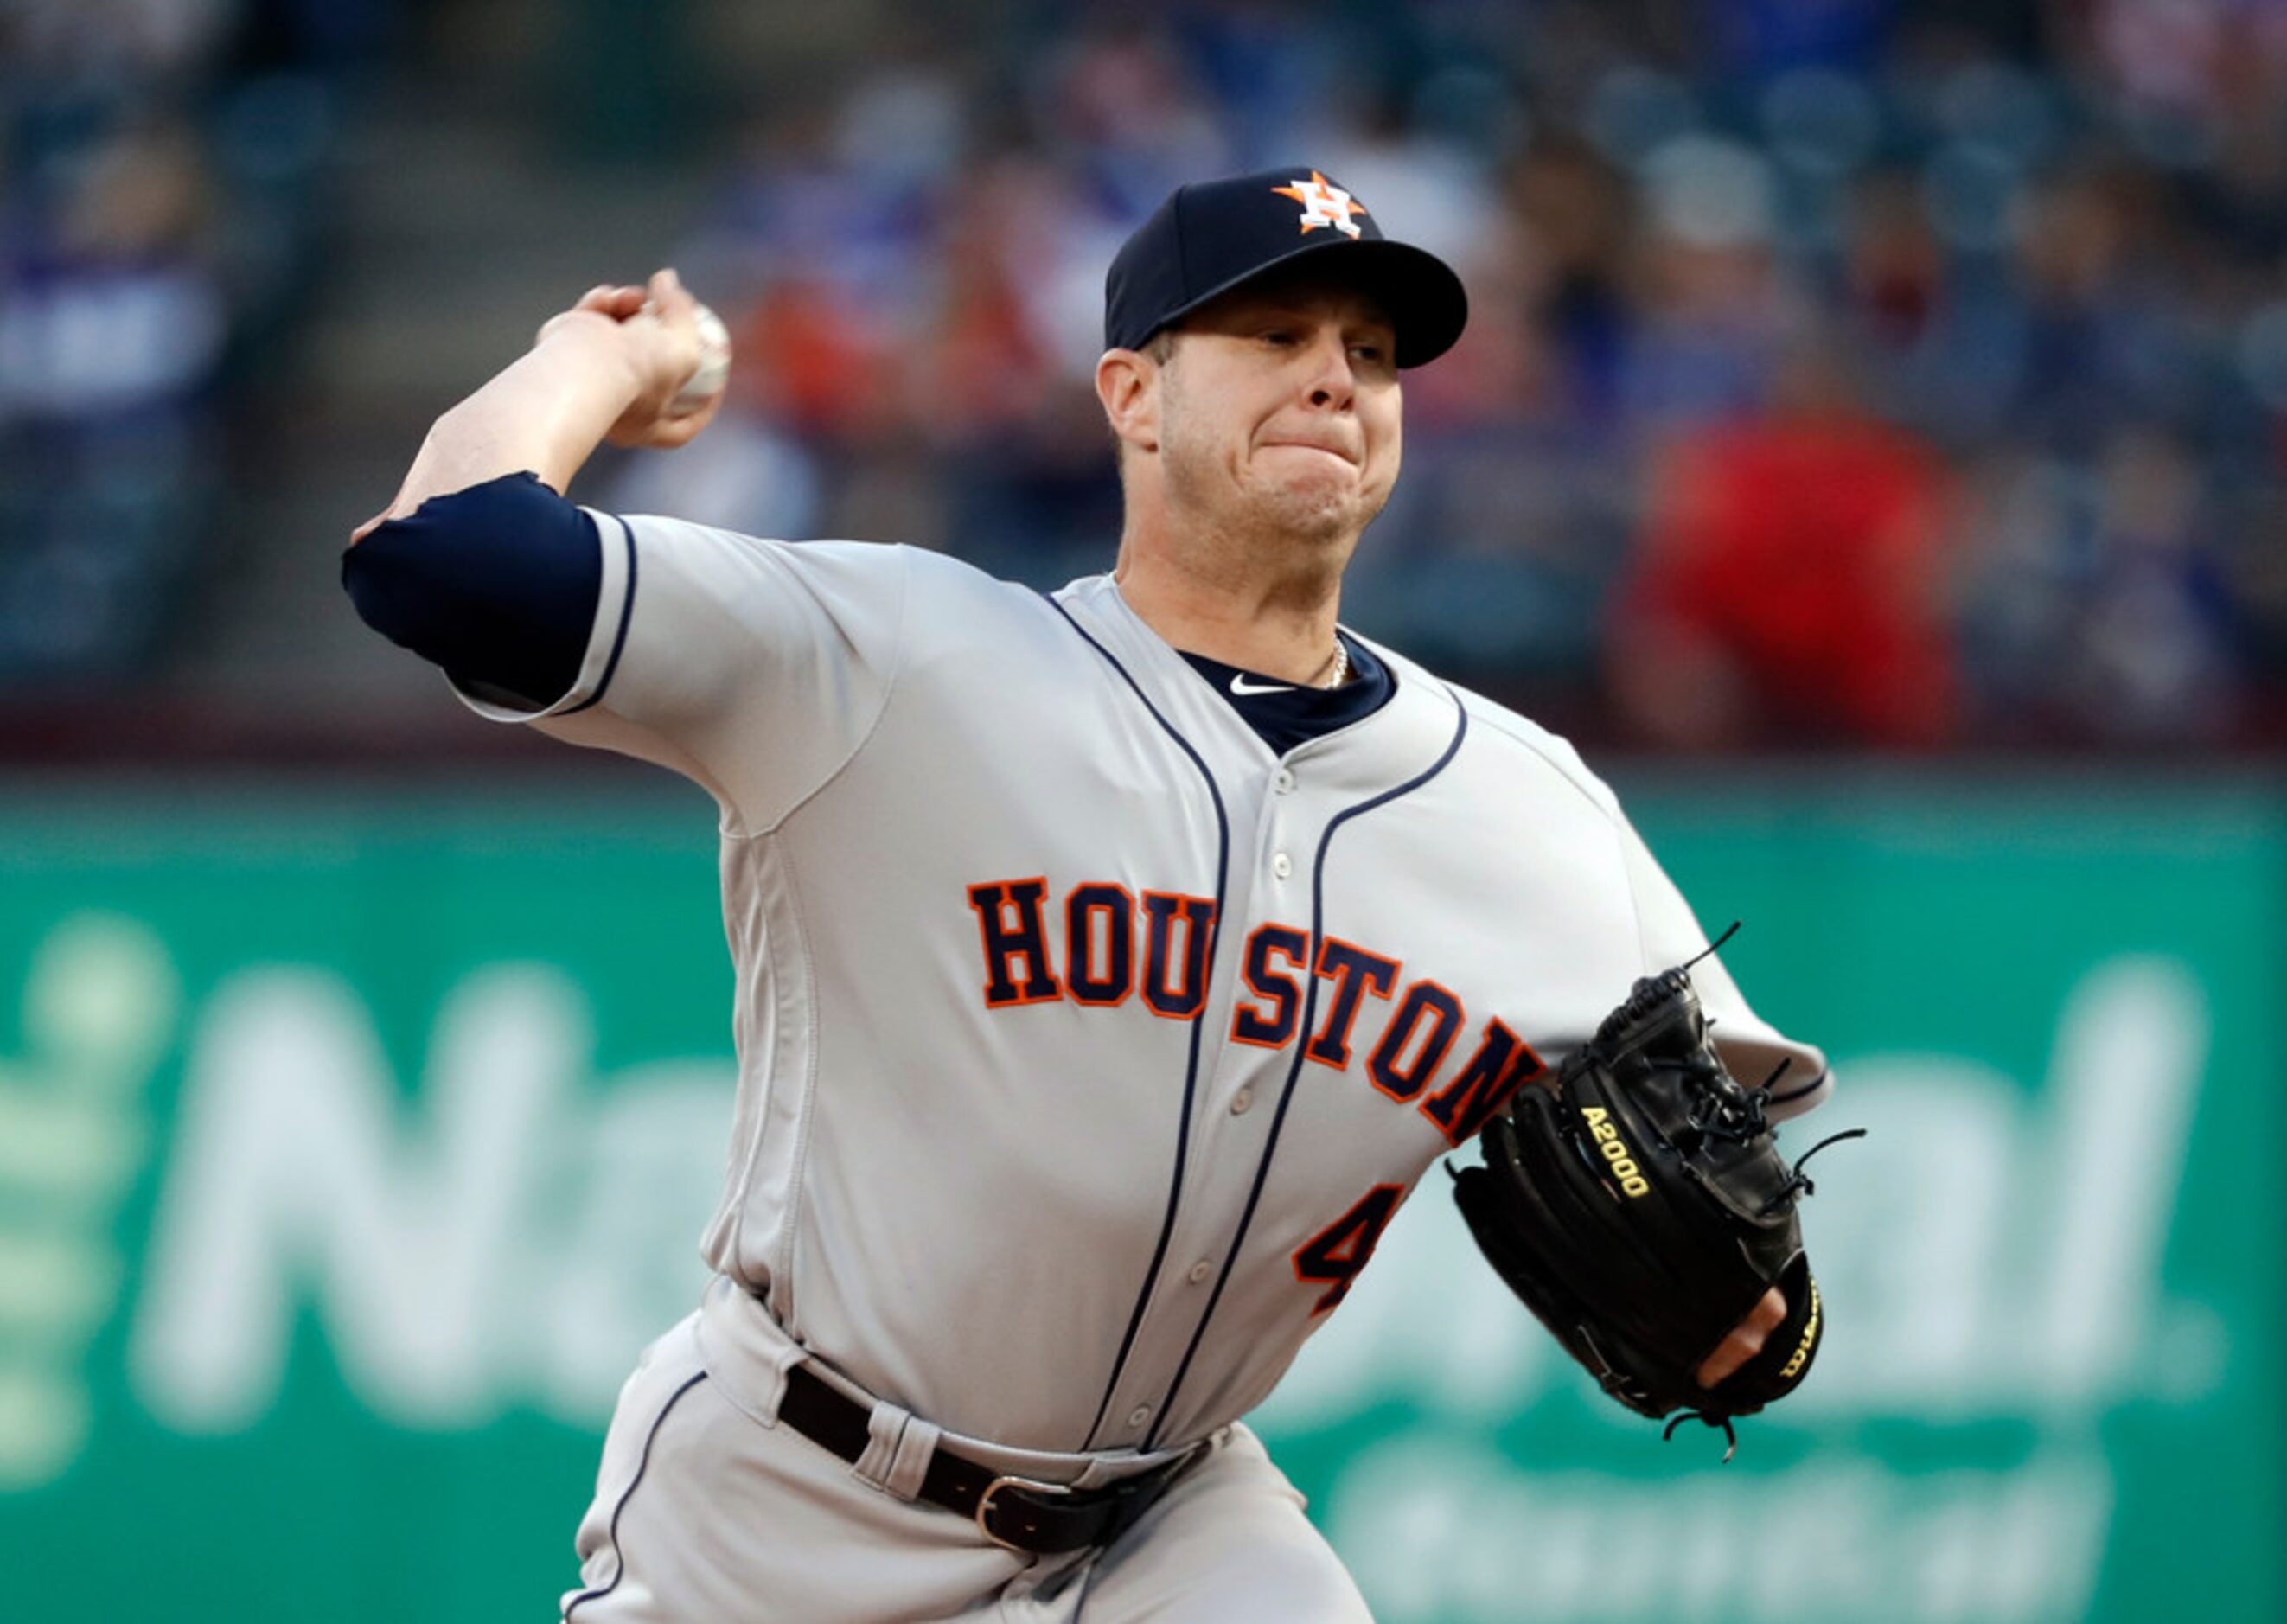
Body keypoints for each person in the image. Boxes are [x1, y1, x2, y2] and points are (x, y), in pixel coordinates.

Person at [344, 167, 1832, 1623]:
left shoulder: (1526, 806)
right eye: (1273, 336)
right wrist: (599, 354)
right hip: (786, 1500)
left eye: (1368, 355)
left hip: (1169, 1529)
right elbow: (445, 558)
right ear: (1130, 393)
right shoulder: (894, 659)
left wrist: (1761, 1323)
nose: (1333, 379)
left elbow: (1734, 1167)